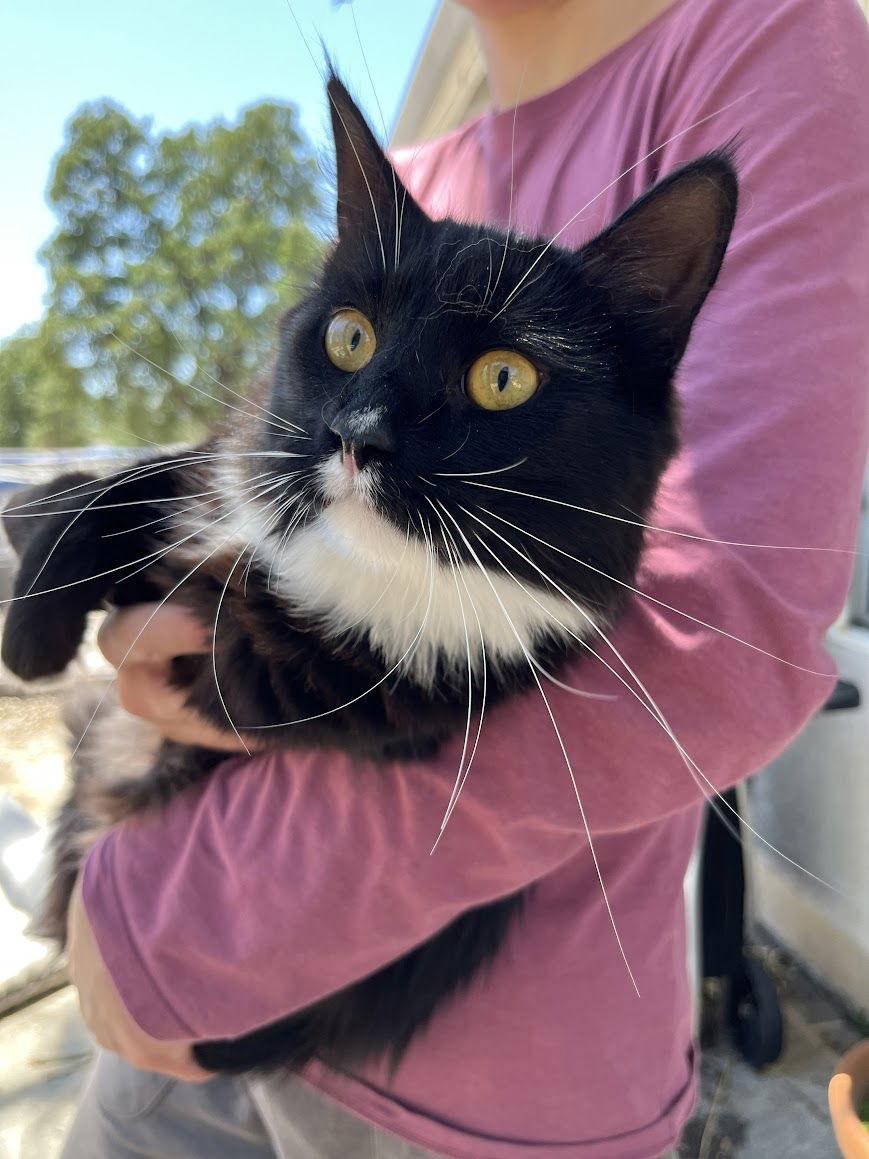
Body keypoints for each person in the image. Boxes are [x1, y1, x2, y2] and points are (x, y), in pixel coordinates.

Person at [60, 0, 869, 1156]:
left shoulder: (761, 39)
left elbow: (725, 628)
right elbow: (257, 461)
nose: (369, 419)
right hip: (180, 1013)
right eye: (349, 346)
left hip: (476, 1092)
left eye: (494, 380)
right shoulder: (415, 171)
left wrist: (179, 925)